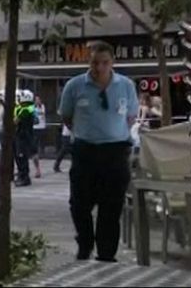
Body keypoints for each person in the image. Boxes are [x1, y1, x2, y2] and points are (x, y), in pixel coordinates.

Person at [59, 41, 138, 263]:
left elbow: (131, 116)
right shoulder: (74, 86)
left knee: (111, 206)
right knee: (79, 204)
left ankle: (106, 253)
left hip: (115, 152)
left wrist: (112, 132)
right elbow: (66, 117)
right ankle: (85, 243)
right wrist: (88, 132)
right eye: (95, 62)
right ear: (89, 61)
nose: (99, 68)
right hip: (85, 151)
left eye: (104, 63)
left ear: (112, 62)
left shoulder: (126, 85)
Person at [14, 90, 36, 187]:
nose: (18, 99)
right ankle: (21, 175)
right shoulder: (26, 108)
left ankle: (24, 178)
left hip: (23, 136)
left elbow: (15, 121)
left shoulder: (26, 110)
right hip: (22, 136)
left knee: (22, 157)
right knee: (19, 157)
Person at [32, 95, 46, 178]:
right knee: (35, 142)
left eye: (38, 99)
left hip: (41, 126)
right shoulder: (32, 107)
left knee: (41, 140)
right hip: (35, 127)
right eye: (36, 99)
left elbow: (43, 113)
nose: (37, 101)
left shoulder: (42, 106)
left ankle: (41, 150)